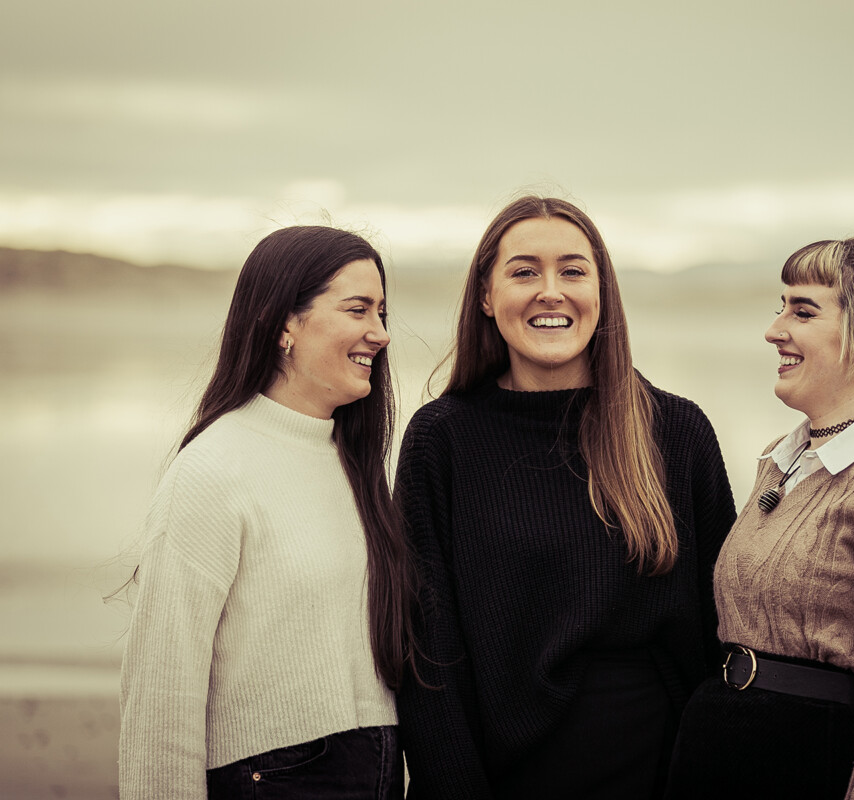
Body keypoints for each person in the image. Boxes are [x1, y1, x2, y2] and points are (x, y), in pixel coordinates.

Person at [387, 195, 737, 799]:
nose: (551, 291)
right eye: (524, 272)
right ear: (486, 298)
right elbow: (426, 649)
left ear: (602, 294)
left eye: (573, 271)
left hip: (655, 769)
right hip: (498, 774)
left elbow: (720, 635)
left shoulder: (676, 433)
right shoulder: (440, 439)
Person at [665, 237, 854, 800]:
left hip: (805, 765)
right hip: (714, 752)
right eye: (780, 306)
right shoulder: (781, 460)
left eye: (803, 311)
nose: (775, 329)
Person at [118, 226, 419, 799]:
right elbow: (161, 695)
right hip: (273, 780)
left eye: (382, 312)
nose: (379, 333)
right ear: (285, 321)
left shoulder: (353, 463)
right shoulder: (213, 469)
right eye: (358, 309)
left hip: (378, 768)